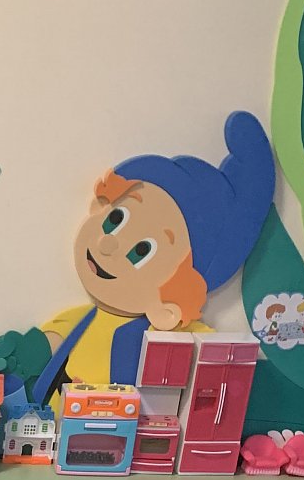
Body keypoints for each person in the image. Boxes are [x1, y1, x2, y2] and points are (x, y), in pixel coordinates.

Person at [41, 111, 275, 387]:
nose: (108, 243)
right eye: (115, 219)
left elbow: (217, 363)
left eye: (141, 251)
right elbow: (44, 346)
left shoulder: (175, 338)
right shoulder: (79, 322)